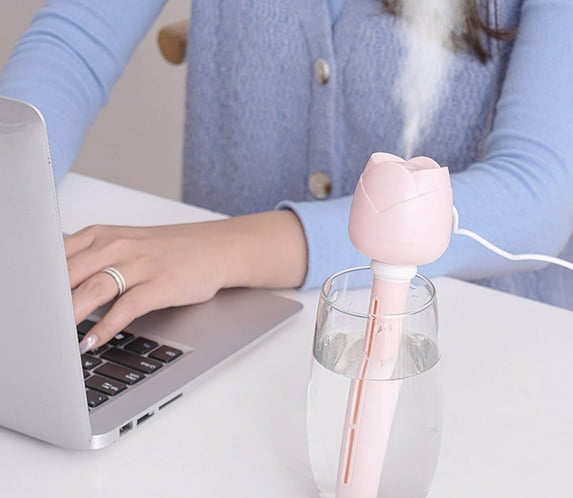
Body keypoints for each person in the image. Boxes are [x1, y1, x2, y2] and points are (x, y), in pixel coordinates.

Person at [1, 0, 572, 353]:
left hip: (467, 347)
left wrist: (226, 250)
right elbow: (71, 47)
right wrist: (11, 189)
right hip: (219, 324)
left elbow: (539, 192)